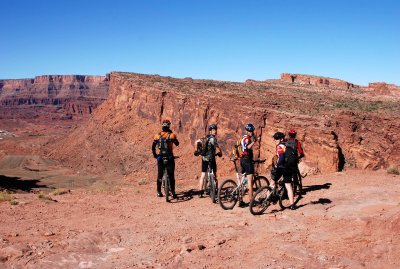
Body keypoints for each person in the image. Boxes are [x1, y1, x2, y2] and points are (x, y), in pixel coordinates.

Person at [152, 119, 179, 198]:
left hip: (160, 157)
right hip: (170, 157)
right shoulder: (172, 135)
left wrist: (155, 155)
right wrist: (172, 137)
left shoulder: (157, 135)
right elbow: (177, 144)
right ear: (169, 126)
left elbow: (153, 147)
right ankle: (173, 192)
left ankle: (158, 192)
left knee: (160, 175)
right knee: (171, 176)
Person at [271, 131, 296, 210]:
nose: (275, 140)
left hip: (282, 167)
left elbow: (281, 157)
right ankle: (292, 205)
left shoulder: (279, 146)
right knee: (288, 186)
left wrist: (277, 166)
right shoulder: (288, 144)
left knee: (272, 182)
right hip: (289, 167)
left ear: (281, 139)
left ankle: (270, 198)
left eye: (276, 138)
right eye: (274, 138)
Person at [196, 124, 222, 197]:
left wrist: (196, 150)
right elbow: (217, 146)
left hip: (204, 158)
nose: (215, 131)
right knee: (215, 175)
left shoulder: (205, 138)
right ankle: (216, 191)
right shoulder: (213, 139)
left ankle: (200, 193)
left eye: (215, 130)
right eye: (214, 130)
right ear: (210, 131)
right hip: (211, 159)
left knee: (203, 175)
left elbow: (197, 142)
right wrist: (220, 153)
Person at [239, 123, 258, 206]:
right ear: (247, 131)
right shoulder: (247, 139)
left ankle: (240, 200)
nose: (251, 132)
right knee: (250, 181)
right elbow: (247, 147)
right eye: (250, 131)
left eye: (252, 131)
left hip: (243, 160)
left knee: (243, 182)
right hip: (247, 160)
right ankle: (251, 201)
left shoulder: (243, 137)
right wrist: (253, 142)